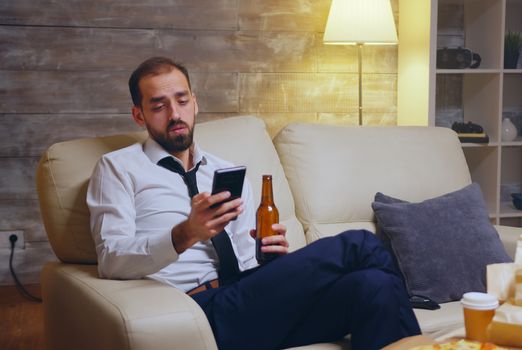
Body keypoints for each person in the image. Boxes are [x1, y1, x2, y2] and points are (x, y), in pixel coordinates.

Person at [87, 56, 421, 350]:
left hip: (251, 302)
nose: (175, 114)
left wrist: (272, 259)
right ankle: (418, 303)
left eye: (182, 100)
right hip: (198, 309)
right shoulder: (117, 168)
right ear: (138, 115)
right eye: (159, 105)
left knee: (373, 285)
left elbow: (249, 266)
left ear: (195, 103)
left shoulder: (223, 170)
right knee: (359, 244)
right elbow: (111, 259)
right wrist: (186, 233)